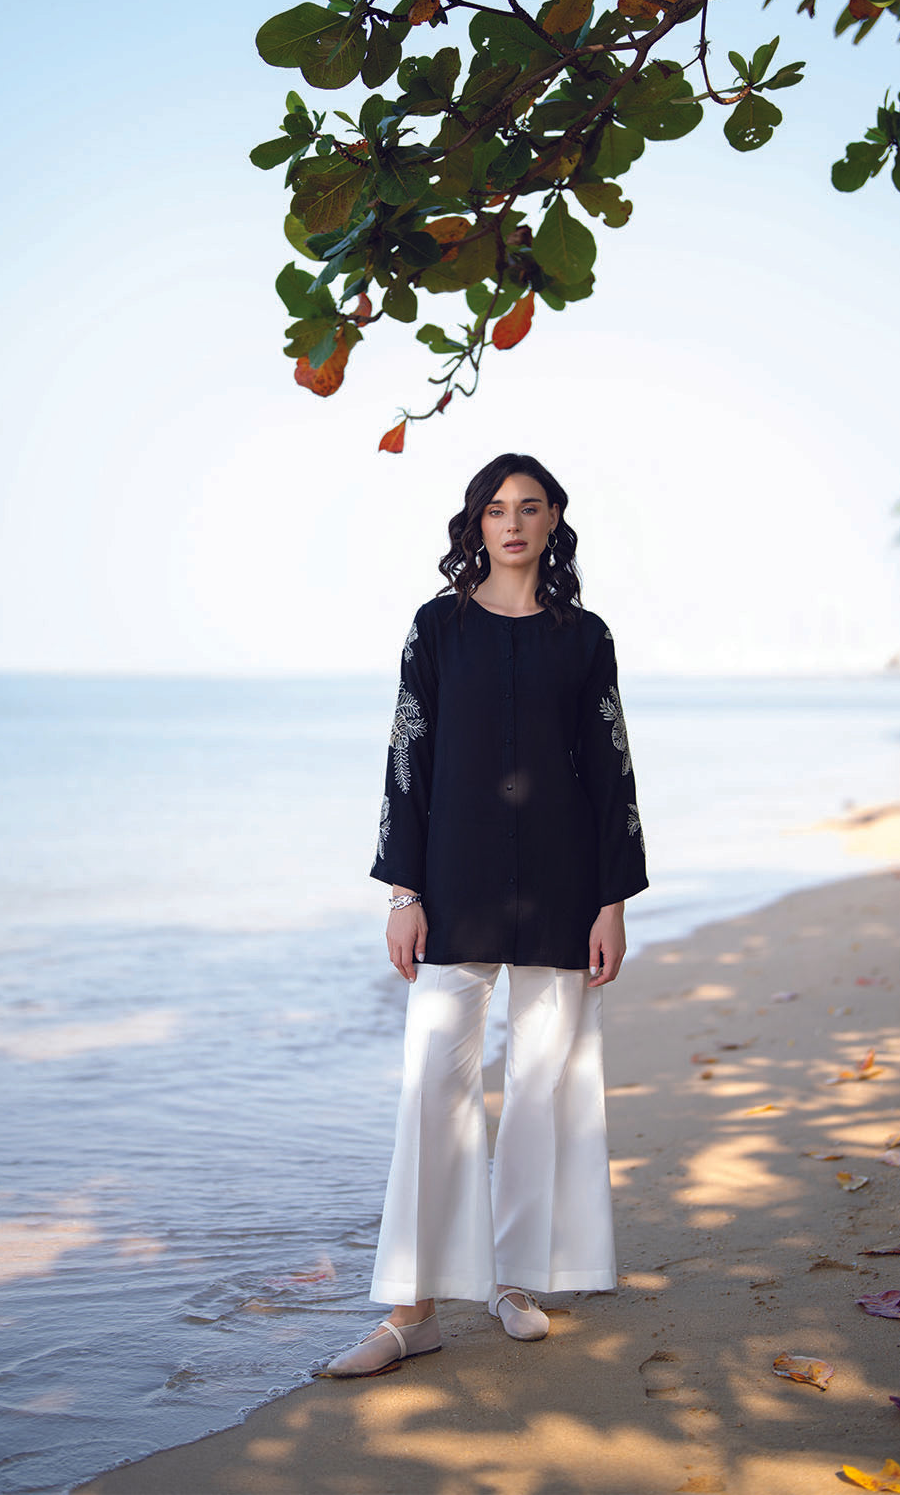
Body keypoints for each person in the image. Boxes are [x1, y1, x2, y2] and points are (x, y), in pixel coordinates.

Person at [324, 453, 648, 1378]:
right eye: (495, 510)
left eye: (529, 508)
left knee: (544, 1085)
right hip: (452, 887)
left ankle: (516, 1281)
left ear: (552, 523)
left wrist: (611, 899)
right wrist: (403, 892)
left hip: (564, 887)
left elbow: (612, 770)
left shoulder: (585, 638)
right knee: (434, 1084)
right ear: (475, 526)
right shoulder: (438, 630)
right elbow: (405, 761)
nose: (512, 523)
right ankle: (411, 1310)